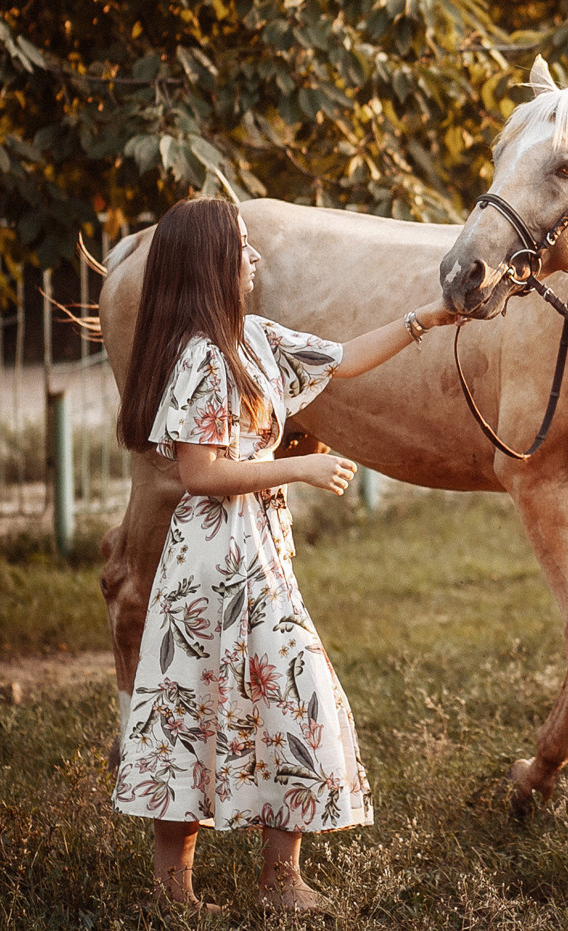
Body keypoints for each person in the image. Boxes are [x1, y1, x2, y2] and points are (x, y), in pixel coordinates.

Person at [109, 196, 461, 914]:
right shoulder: (201, 358)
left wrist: (431, 315)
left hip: (257, 553)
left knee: (287, 695)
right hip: (212, 560)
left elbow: (345, 358)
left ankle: (281, 881)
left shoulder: (254, 340)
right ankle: (173, 892)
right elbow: (200, 473)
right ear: (210, 263)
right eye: (242, 246)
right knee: (200, 707)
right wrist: (296, 469)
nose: (255, 256)